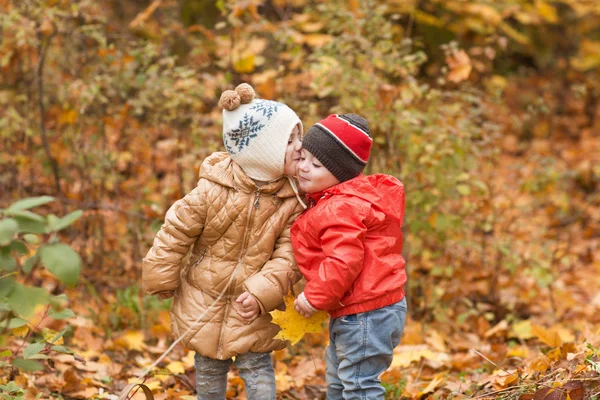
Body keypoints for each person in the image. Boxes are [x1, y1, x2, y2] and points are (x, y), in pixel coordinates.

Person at [142, 83, 305, 400]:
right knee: (207, 368)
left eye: (300, 136)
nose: (301, 146)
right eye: (290, 140)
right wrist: (161, 275)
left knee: (257, 366)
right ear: (263, 152)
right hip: (205, 296)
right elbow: (176, 230)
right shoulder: (211, 189)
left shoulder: (293, 200)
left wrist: (261, 293)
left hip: (253, 306)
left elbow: (291, 256)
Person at [291, 114, 408, 400]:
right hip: (361, 310)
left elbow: (344, 261)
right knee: (340, 379)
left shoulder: (340, 208)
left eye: (317, 165)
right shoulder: (334, 201)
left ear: (340, 173)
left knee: (358, 385)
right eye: (303, 157)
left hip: (366, 313)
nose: (305, 168)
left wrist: (314, 297)